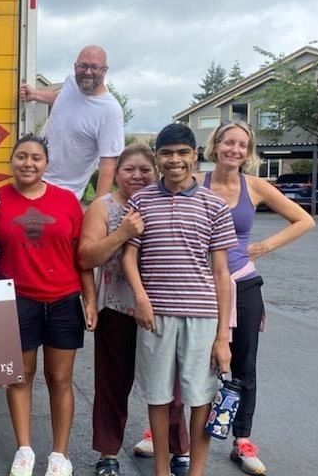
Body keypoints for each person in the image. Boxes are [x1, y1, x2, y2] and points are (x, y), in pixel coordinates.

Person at [120, 123, 236, 476]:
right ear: (157, 158)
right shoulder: (141, 200)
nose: (175, 160)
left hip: (202, 317)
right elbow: (128, 256)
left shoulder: (214, 206)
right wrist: (141, 298)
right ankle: (161, 470)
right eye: (167, 153)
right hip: (155, 316)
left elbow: (221, 273)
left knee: (200, 398)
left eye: (182, 153)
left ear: (195, 155)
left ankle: (197, 471)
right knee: (158, 396)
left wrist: (223, 336)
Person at [202, 121, 314, 474]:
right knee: (189, 359)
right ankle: (170, 431)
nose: (234, 150)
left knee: (243, 363)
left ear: (248, 152)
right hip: (201, 285)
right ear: (215, 145)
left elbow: (304, 220)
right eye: (228, 143)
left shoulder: (256, 187)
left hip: (243, 284)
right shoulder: (195, 183)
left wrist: (264, 246)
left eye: (242, 145)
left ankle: (242, 440)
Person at [78, 143, 192, 476]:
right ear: (116, 173)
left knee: (170, 387)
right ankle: (108, 453)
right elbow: (86, 257)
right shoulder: (103, 208)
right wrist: (123, 233)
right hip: (116, 307)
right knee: (113, 384)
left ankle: (178, 450)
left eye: (145, 170)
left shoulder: (166, 201)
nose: (137, 176)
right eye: (130, 169)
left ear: (155, 171)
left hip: (165, 308)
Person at [0, 135, 97, 476]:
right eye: (21, 157)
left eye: (36, 158)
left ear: (46, 163)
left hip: (64, 299)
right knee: (20, 377)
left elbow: (81, 257)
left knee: (60, 378)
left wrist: (90, 299)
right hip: (17, 299)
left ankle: (59, 455)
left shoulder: (67, 201)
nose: (28, 163)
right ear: (12, 161)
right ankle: (24, 450)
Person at [18, 45, 125, 200]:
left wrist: (98, 208)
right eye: (83, 66)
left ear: (104, 70)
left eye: (94, 67)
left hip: (64, 193)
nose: (88, 72)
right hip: (34, 176)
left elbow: (108, 166)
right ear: (75, 66)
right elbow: (61, 99)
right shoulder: (71, 83)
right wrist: (34, 94)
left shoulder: (110, 111)